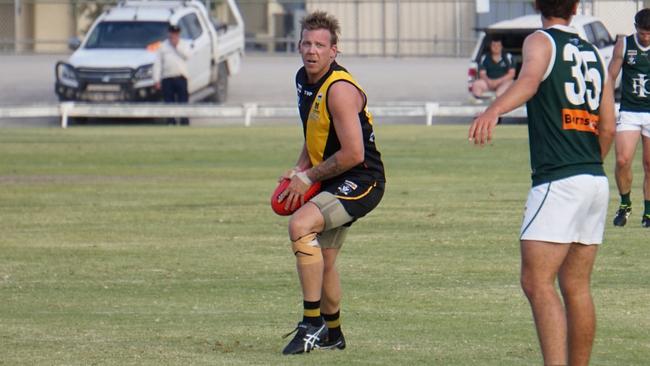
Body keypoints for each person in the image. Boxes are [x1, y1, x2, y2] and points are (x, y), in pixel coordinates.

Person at [468, 1, 616, 365]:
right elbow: (608, 125)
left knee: (536, 282)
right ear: (577, 6)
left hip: (559, 179)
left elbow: (529, 81)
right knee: (576, 286)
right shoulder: (595, 53)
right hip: (594, 179)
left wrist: (493, 109)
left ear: (536, 4)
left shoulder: (541, 41)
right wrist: (588, 164)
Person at [276, 11, 385, 355]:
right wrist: (298, 169)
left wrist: (308, 177)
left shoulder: (339, 90)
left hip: (362, 179)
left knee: (300, 225)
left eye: (320, 45)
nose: (312, 50)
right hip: (335, 178)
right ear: (298, 46)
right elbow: (316, 135)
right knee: (324, 258)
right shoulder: (303, 78)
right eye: (307, 43)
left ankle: (311, 324)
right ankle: (332, 333)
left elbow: (353, 154)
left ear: (334, 51)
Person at [610, 8, 650, 228]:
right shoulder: (624, 45)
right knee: (622, 160)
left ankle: (649, 212)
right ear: (636, 29)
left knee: (649, 164)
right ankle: (625, 204)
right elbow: (611, 76)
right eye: (643, 33)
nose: (646, 37)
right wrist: (605, 103)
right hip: (630, 111)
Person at [153, 24, 190, 126]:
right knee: (169, 101)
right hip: (167, 78)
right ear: (169, 33)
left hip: (180, 77)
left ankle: (184, 122)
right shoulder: (163, 46)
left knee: (183, 101)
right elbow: (158, 64)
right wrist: (156, 80)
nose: (174, 35)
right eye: (172, 33)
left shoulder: (184, 44)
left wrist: (177, 46)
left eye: (176, 33)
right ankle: (171, 122)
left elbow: (188, 55)